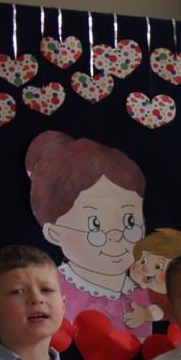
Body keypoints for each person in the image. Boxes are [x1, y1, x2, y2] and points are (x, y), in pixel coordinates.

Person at [25, 131, 152, 338]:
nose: (116, 236)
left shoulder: (140, 289)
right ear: (54, 233)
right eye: (95, 225)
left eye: (130, 221)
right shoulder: (52, 291)